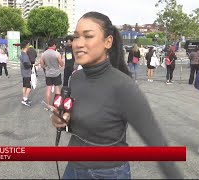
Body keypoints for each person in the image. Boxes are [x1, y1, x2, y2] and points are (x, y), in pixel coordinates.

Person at [50, 11, 183, 179]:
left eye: (88, 36)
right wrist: (60, 121)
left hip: (108, 173)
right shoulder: (75, 78)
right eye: (76, 37)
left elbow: (156, 142)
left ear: (108, 41)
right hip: (73, 168)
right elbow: (77, 123)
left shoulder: (123, 86)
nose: (78, 43)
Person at [40, 39, 64, 106]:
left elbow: (42, 65)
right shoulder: (57, 53)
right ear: (54, 45)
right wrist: (61, 63)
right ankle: (57, 105)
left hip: (48, 74)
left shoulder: (43, 54)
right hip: (56, 73)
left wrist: (47, 65)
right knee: (57, 89)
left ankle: (48, 105)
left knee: (48, 89)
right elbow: (61, 64)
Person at [20, 40, 33, 106]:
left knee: (24, 86)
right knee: (29, 87)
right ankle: (25, 99)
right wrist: (32, 65)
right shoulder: (25, 55)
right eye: (28, 45)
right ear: (26, 46)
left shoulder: (22, 53)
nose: (29, 47)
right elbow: (26, 65)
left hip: (24, 73)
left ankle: (24, 98)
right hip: (27, 73)